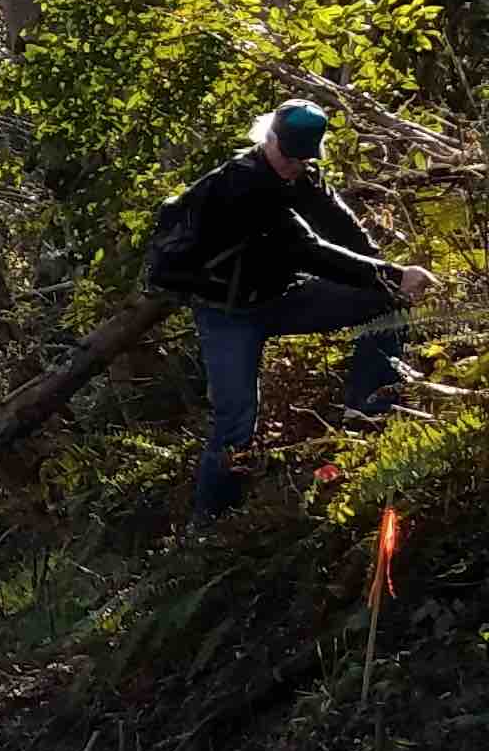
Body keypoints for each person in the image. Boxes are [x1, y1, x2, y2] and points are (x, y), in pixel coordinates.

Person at [146, 99, 435, 520]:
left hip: (283, 299)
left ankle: (368, 417)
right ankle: (208, 528)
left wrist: (383, 271)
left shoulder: (303, 175)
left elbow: (340, 226)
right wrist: (393, 273)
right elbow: (307, 251)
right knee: (235, 425)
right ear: (270, 139)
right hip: (228, 315)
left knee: (383, 303)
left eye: (303, 157)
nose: (293, 165)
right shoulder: (238, 186)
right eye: (288, 155)